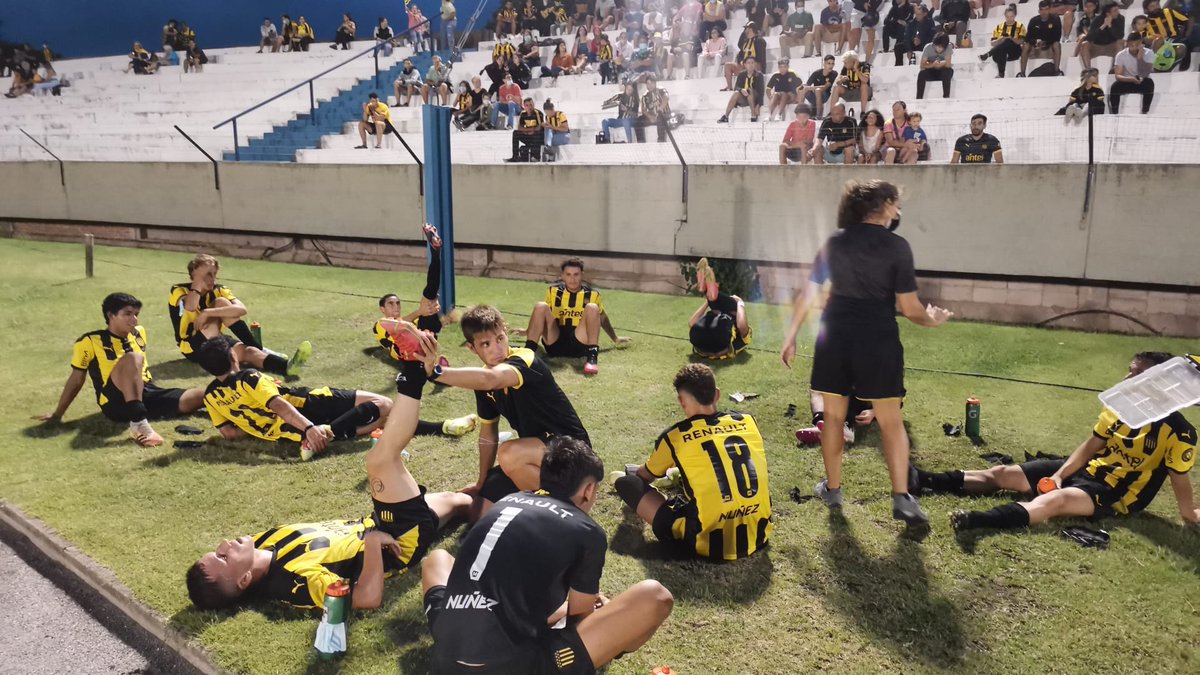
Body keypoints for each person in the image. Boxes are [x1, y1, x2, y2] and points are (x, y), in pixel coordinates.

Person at [185, 358, 474, 611]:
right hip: (398, 538)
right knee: (380, 460)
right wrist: (373, 545)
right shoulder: (294, 580)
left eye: (216, 549)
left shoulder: (260, 545)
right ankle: (412, 374)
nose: (224, 544)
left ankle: (502, 519)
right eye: (223, 556)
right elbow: (366, 598)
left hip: (378, 522)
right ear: (244, 579)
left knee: (461, 501)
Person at [780, 179, 953, 526]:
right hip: (878, 337)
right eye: (896, 204)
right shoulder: (897, 246)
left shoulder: (835, 242)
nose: (898, 211)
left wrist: (792, 334)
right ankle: (902, 497)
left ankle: (833, 489)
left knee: (832, 417)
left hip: (837, 336)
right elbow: (910, 307)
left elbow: (809, 293)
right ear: (886, 205)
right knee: (891, 421)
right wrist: (932, 320)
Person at [422, 437, 674, 673]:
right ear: (588, 490)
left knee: (438, 558)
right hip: (512, 664)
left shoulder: (507, 500)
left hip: (447, 652)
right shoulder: (587, 530)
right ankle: (619, 646)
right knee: (656, 596)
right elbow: (579, 622)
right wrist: (605, 616)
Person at [937, 352, 1199, 533]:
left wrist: (1191, 516)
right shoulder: (1120, 407)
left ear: (1160, 383)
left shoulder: (1180, 433)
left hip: (1114, 494)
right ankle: (923, 480)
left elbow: (1180, 482)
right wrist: (1060, 474)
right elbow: (1091, 446)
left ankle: (977, 521)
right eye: (1130, 371)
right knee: (1002, 473)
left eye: (1138, 374)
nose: (1127, 379)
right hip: (1089, 470)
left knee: (1055, 502)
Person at [412, 305, 591, 514]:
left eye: (500, 338)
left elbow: (491, 379)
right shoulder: (483, 382)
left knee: (509, 453)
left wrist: (434, 372)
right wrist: (481, 482)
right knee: (481, 507)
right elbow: (488, 435)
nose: (497, 349)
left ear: (505, 333)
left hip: (575, 454)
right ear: (472, 348)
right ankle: (541, 506)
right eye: (486, 344)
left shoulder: (525, 359)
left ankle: (570, 509)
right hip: (537, 458)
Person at [615, 363, 772, 561]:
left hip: (706, 543)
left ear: (682, 401)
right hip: (758, 533)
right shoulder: (748, 421)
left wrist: (637, 472)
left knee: (626, 484)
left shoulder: (676, 436)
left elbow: (644, 477)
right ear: (717, 394)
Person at [35, 293, 204, 448]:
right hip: (114, 401)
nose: (134, 319)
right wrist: (57, 414)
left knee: (206, 395)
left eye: (136, 314)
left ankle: (227, 410)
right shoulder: (89, 341)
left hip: (146, 393)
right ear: (111, 315)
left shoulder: (139, 333)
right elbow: (76, 380)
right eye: (128, 314)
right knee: (133, 358)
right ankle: (139, 424)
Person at [195, 336, 383, 460]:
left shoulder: (210, 396)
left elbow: (229, 433)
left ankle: (329, 433)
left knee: (381, 421)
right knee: (383, 404)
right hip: (304, 405)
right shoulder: (248, 378)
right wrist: (309, 428)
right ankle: (322, 431)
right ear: (233, 357)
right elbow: (279, 405)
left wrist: (253, 425)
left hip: (289, 434)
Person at [167, 254, 309, 377]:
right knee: (221, 303)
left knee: (250, 352)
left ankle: (287, 366)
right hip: (192, 346)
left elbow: (241, 309)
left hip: (216, 340)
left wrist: (207, 312)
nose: (212, 279)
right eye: (207, 274)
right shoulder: (179, 291)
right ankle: (259, 348)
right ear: (194, 274)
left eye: (214, 274)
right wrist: (197, 284)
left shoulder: (219, 290)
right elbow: (190, 307)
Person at [522, 257, 629, 374]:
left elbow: (602, 317)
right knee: (541, 305)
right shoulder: (553, 291)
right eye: (568, 274)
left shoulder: (593, 294)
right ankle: (527, 355)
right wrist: (528, 331)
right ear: (562, 276)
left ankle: (592, 358)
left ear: (582, 275)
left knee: (592, 307)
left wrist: (615, 338)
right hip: (555, 342)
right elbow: (541, 315)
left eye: (576, 274)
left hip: (580, 342)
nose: (572, 279)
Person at [686, 258, 753, 359]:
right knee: (720, 304)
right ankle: (710, 292)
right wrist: (740, 303)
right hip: (710, 337)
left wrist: (708, 302)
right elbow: (741, 325)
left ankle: (709, 291)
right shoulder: (741, 335)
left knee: (716, 303)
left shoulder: (722, 327)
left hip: (703, 340)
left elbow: (691, 323)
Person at [1110, 31, 1156, 113]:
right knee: (1115, 87)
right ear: (1127, 44)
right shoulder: (1121, 55)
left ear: (1141, 43)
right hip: (1127, 80)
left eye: (1137, 45)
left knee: (1150, 84)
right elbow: (1118, 76)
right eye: (1131, 45)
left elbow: (1144, 73)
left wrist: (1140, 57)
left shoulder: (1149, 53)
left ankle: (1145, 111)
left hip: (1143, 79)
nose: (1134, 48)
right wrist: (1131, 79)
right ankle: (1114, 113)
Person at [980, 5, 1026, 78]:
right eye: (1007, 16)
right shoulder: (999, 27)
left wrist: (1011, 38)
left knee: (1008, 41)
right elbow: (992, 43)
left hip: (1015, 52)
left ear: (1015, 16)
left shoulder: (1020, 26)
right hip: (999, 54)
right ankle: (1001, 74)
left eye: (1011, 16)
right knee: (1002, 48)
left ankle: (988, 54)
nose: (1009, 19)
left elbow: (1020, 41)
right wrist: (1001, 39)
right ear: (1005, 16)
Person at [1019, 1, 1063, 77]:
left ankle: (1057, 71)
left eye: (1046, 9)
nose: (1044, 12)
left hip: (1049, 46)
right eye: (1042, 10)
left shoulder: (1055, 19)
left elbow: (1057, 37)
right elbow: (1028, 38)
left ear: (1049, 10)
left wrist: (1045, 42)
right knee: (1025, 45)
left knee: (1057, 44)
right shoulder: (1033, 21)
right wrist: (1035, 42)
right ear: (1039, 11)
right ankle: (1022, 73)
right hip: (1035, 47)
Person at [1079, 2, 1126, 70]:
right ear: (1108, 13)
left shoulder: (1121, 18)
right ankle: (1088, 70)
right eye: (1115, 11)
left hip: (1111, 47)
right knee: (1084, 44)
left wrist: (1110, 26)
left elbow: (1120, 36)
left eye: (1118, 10)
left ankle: (1114, 69)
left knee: (1121, 42)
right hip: (1096, 47)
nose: (1118, 12)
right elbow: (1089, 37)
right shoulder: (1097, 19)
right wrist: (1103, 26)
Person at [718, 56, 765, 122]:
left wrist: (758, 105)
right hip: (745, 98)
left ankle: (753, 115)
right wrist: (741, 90)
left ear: (755, 64)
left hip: (754, 98)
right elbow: (736, 87)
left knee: (750, 90)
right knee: (736, 93)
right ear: (745, 65)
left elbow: (761, 91)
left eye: (752, 63)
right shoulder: (741, 74)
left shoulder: (759, 75)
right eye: (748, 63)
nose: (751, 65)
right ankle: (726, 116)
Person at [723, 23, 766, 90]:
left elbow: (760, 57)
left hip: (756, 65)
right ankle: (729, 86)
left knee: (751, 63)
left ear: (751, 30)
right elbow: (740, 52)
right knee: (727, 65)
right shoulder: (745, 41)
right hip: (745, 66)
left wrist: (749, 61)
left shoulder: (760, 41)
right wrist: (740, 60)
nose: (745, 31)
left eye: (747, 29)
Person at [916, 33, 954, 99]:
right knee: (922, 74)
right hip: (931, 71)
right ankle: (919, 98)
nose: (939, 49)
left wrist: (940, 63)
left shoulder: (949, 46)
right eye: (937, 46)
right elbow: (922, 65)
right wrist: (933, 64)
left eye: (942, 47)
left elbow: (948, 64)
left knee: (947, 72)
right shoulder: (928, 47)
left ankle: (946, 97)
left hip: (943, 71)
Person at [508, 97, 545, 161]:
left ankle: (536, 156)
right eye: (527, 105)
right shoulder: (523, 113)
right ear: (524, 106)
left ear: (533, 104)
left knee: (538, 134)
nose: (529, 107)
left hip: (537, 137)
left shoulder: (538, 113)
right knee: (515, 133)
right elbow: (519, 127)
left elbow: (539, 127)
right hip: (528, 135)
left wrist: (528, 130)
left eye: (531, 104)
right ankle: (515, 156)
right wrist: (528, 131)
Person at [636, 75, 671, 142]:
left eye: (651, 83)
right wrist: (650, 117)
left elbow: (666, 97)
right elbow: (643, 109)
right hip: (653, 117)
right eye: (648, 84)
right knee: (638, 121)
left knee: (660, 118)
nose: (650, 85)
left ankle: (661, 140)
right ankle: (640, 142)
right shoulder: (645, 96)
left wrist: (660, 108)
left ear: (655, 83)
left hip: (664, 115)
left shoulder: (661, 90)